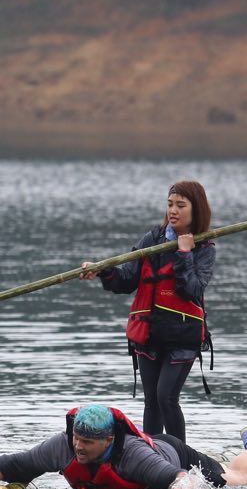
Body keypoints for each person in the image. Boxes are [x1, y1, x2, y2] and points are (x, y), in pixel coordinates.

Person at [79, 180, 215, 443]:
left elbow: (192, 288)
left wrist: (184, 254)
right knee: (151, 400)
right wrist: (103, 270)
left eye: (180, 205)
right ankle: (150, 455)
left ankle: (179, 458)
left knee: (167, 398)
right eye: (170, 204)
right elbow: (125, 280)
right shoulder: (152, 239)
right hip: (149, 334)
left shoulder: (205, 247)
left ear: (195, 210)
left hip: (182, 337)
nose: (173, 210)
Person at [0, 403, 247, 489]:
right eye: (76, 439)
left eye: (87, 443)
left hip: (172, 452)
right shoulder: (64, 446)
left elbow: (175, 476)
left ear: (109, 440)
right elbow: (14, 464)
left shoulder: (134, 458)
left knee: (238, 480)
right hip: (141, 465)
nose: (78, 447)